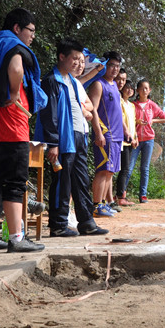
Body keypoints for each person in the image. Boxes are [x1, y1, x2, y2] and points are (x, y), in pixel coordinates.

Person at [0, 7, 47, 252]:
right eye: (31, 30)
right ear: (17, 28)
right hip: (12, 125)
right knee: (15, 182)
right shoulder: (12, 44)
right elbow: (16, 69)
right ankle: (16, 238)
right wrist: (15, 93)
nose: (32, 36)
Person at [36, 37, 109, 237]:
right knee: (62, 181)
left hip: (79, 135)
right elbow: (49, 114)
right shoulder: (52, 81)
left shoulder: (72, 81)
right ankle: (58, 225)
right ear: (62, 57)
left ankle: (86, 222)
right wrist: (52, 143)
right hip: (63, 138)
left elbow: (86, 108)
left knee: (81, 179)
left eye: (81, 59)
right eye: (75, 59)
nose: (78, 63)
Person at [88, 51, 124, 215]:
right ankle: (96, 205)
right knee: (102, 170)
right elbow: (92, 109)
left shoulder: (115, 85)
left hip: (117, 136)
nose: (115, 69)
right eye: (111, 65)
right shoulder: (98, 84)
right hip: (106, 134)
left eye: (117, 66)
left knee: (110, 171)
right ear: (104, 66)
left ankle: (103, 203)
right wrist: (98, 133)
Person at [128, 79, 165, 203]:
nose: (144, 90)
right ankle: (121, 193)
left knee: (145, 168)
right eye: (142, 88)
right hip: (135, 140)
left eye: (147, 88)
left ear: (149, 90)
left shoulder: (152, 105)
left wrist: (153, 121)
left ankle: (143, 194)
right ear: (138, 91)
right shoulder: (132, 105)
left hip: (148, 140)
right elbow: (127, 120)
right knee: (129, 167)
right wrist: (136, 122)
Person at [116, 81, 138, 206]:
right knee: (123, 169)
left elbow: (133, 123)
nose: (129, 90)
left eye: (131, 88)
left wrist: (135, 137)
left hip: (131, 141)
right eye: (127, 88)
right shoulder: (120, 102)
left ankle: (121, 194)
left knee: (126, 168)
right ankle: (120, 196)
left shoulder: (132, 105)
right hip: (122, 140)